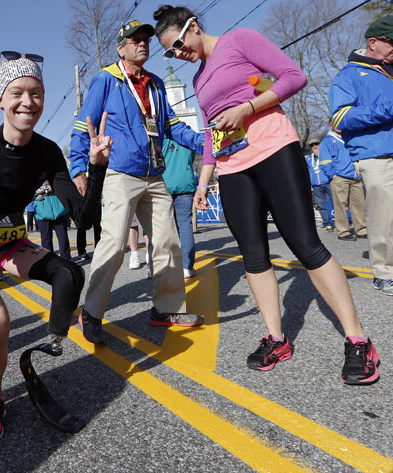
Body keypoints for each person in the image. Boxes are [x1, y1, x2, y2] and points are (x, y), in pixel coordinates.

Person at [153, 5, 379, 385]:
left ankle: (358, 339)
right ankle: (276, 338)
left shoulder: (240, 40)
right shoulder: (197, 79)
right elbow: (211, 133)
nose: (176, 54)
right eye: (169, 53)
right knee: (253, 255)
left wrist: (247, 107)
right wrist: (204, 182)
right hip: (232, 167)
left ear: (192, 27)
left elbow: (295, 76)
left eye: (176, 45)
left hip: (274, 148)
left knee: (305, 245)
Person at [0, 53, 109, 442]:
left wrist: (97, 168)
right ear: (0, 98)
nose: (27, 102)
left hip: (11, 242)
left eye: (36, 93)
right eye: (17, 93)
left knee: (70, 273)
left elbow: (82, 219)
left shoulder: (48, 152)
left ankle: (53, 345)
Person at [69, 20, 205, 344]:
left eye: (145, 39)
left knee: (167, 242)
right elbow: (83, 125)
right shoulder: (107, 79)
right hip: (119, 172)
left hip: (154, 175)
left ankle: (166, 309)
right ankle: (92, 312)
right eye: (135, 40)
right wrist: (79, 169)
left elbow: (173, 128)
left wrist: (206, 143)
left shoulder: (156, 84)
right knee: (114, 243)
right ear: (121, 48)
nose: (142, 44)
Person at [329, 15, 393, 296]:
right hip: (376, 156)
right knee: (385, 217)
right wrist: (386, 109)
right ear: (373, 43)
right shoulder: (348, 75)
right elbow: (340, 116)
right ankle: (385, 273)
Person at [319, 127, 366, 241]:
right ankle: (343, 232)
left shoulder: (350, 136)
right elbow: (325, 160)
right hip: (340, 177)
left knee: (359, 205)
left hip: (355, 176)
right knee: (341, 206)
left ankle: (361, 230)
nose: (339, 127)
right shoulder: (327, 141)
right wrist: (333, 175)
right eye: (336, 124)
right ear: (331, 125)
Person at [162, 137, 197, 279]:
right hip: (185, 182)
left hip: (164, 184)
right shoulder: (186, 137)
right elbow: (192, 157)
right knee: (185, 225)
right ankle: (187, 266)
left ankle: (164, 265)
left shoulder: (160, 138)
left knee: (165, 226)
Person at [34, 181, 72, 259]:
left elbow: (65, 187)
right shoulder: (33, 176)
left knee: (63, 238)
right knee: (46, 240)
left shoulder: (55, 175)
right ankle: (49, 262)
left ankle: (67, 260)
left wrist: (55, 187)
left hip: (60, 211)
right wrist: (36, 191)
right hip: (43, 213)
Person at [304, 137, 334, 232]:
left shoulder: (326, 155)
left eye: (316, 144)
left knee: (336, 203)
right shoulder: (308, 158)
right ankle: (327, 223)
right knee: (322, 205)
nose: (314, 146)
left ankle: (340, 222)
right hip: (316, 185)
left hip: (328, 182)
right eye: (312, 145)